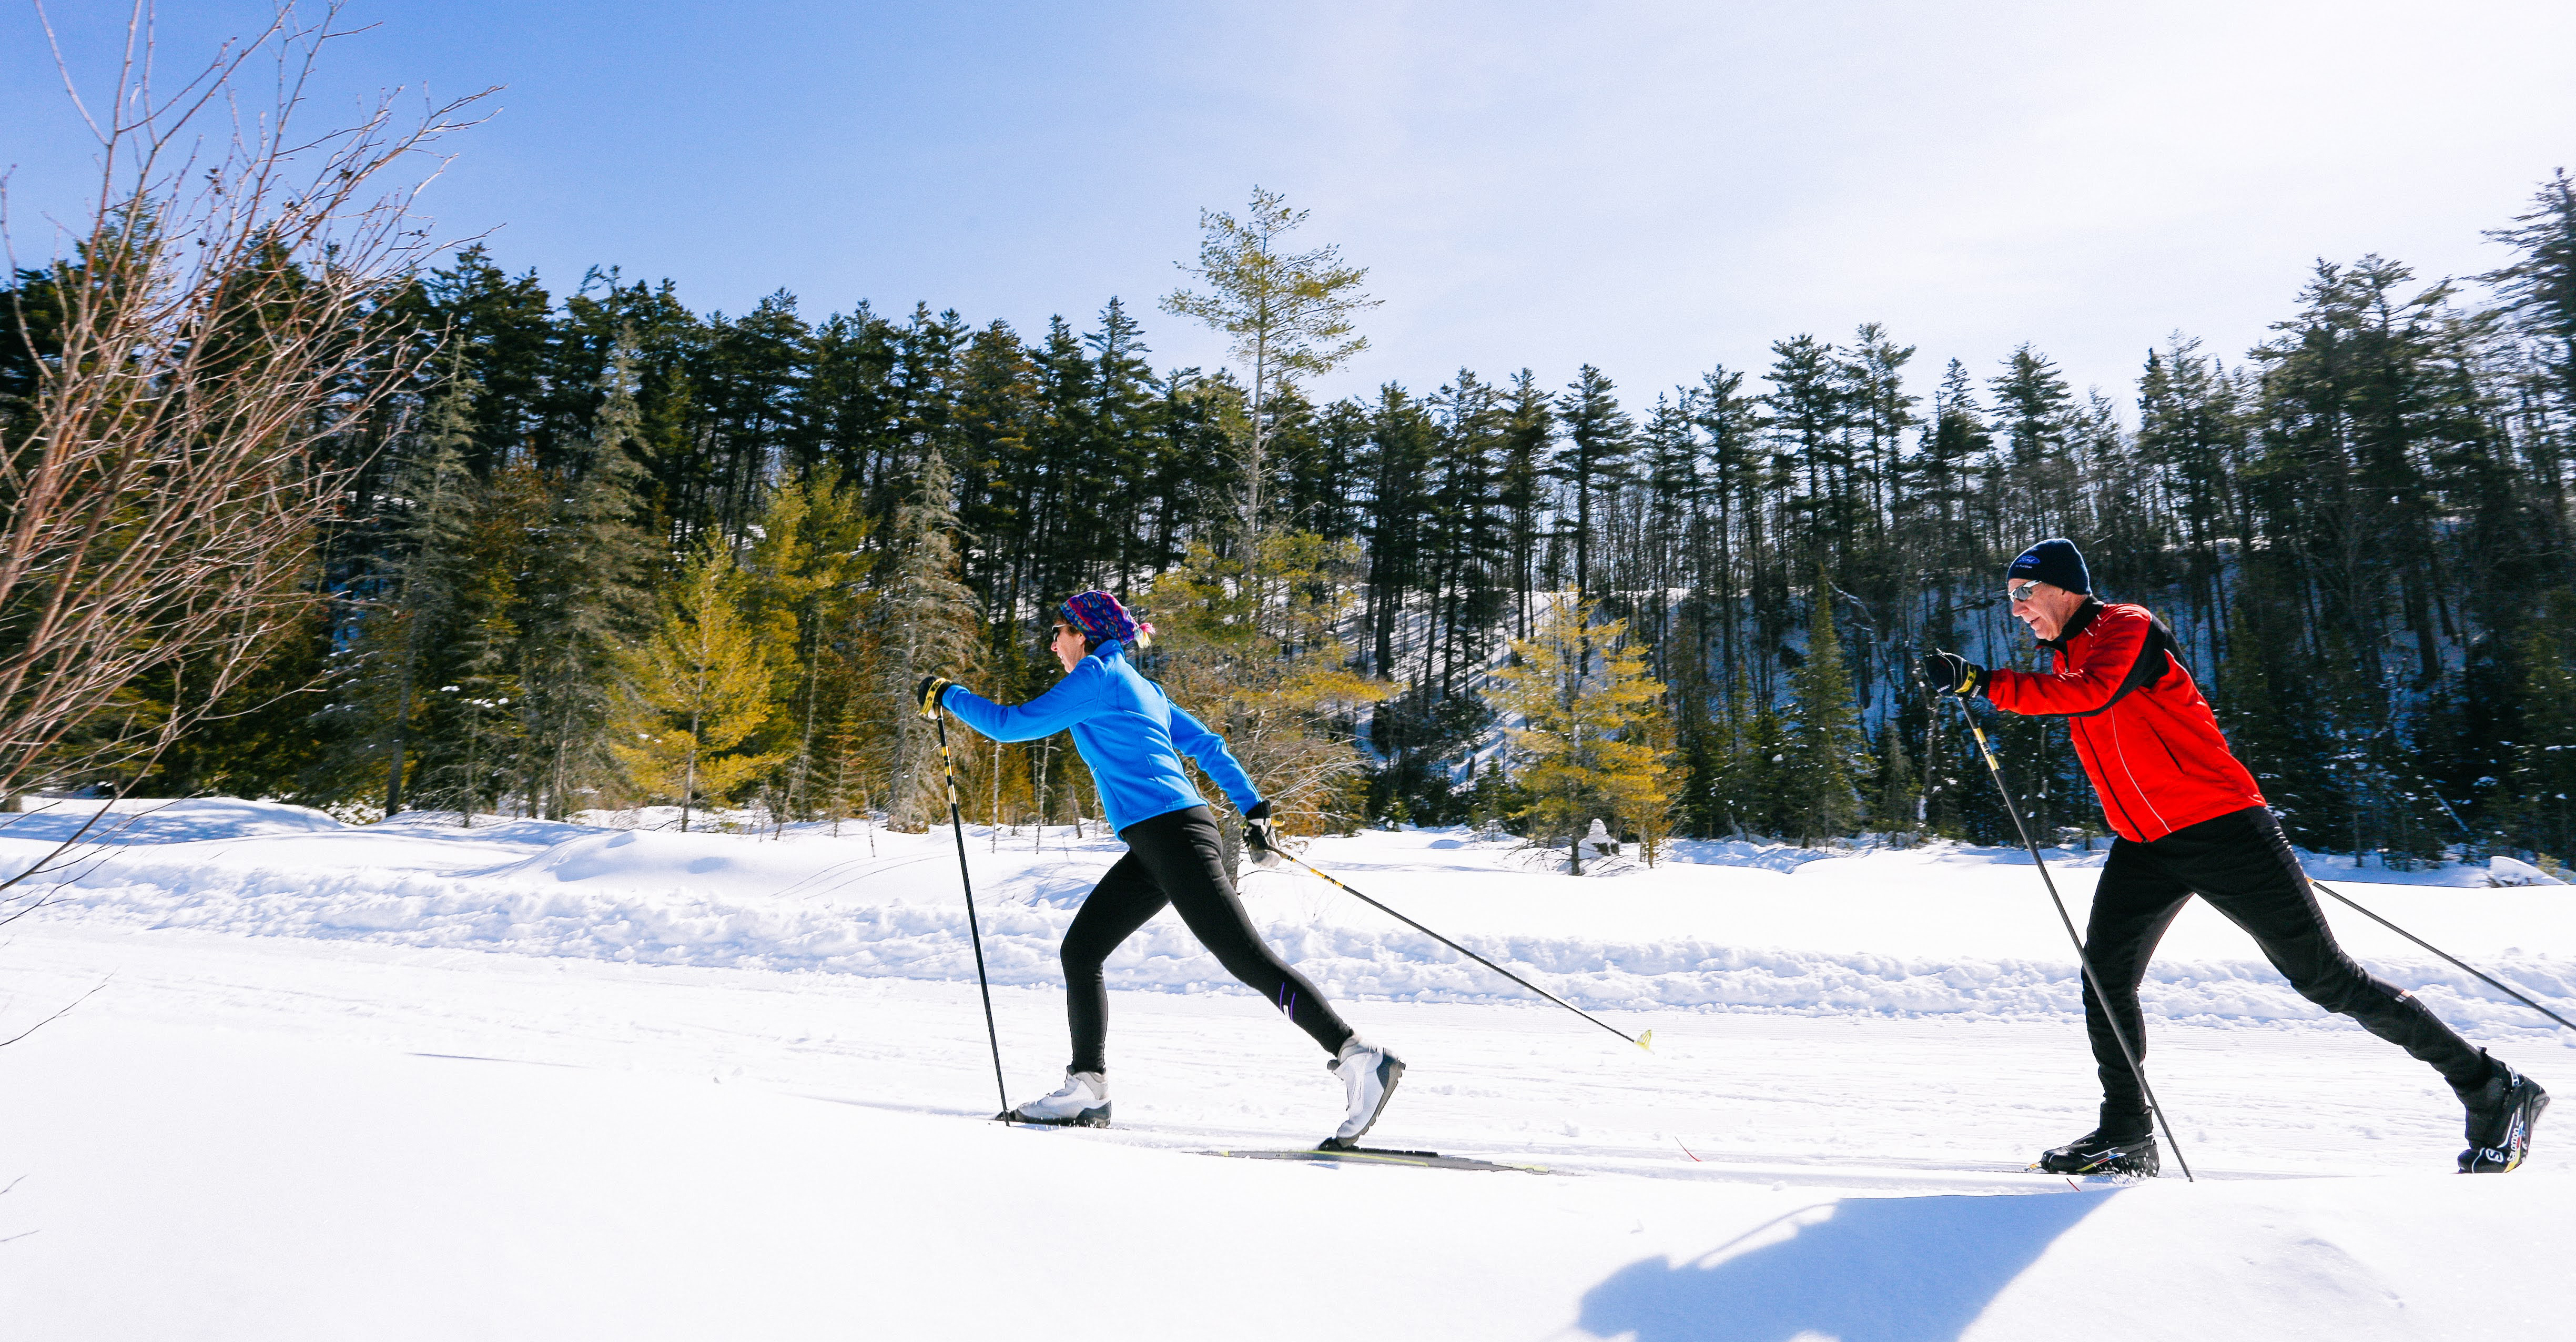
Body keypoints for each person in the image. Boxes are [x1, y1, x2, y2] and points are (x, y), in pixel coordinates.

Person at [1923, 538, 2547, 1176]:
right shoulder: (2063, 660)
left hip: (2221, 828)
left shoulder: (2127, 629)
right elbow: (2084, 700)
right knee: (2104, 979)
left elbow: (2096, 692)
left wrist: (1982, 682)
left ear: (2062, 587)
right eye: (2009, 598)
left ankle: (2491, 1087)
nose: (2017, 608)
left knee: (2326, 979)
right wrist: (1987, 684)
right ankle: (2126, 1133)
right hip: (2145, 843)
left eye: (2023, 593)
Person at [915, 589, 1404, 1147]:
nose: (1053, 645)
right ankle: (1087, 1086)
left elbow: (1009, 726)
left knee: (1244, 956)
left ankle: (1358, 1055)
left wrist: (947, 694)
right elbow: (1208, 745)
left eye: (1058, 633)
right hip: (1156, 840)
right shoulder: (1139, 686)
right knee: (1082, 950)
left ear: (1083, 634)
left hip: (1172, 834)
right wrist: (1253, 809)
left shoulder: (1099, 675)